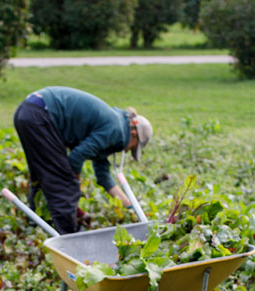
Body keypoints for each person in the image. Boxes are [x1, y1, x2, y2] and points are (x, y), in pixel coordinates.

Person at [13, 86, 153, 235]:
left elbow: (103, 175)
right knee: (66, 184)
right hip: (41, 115)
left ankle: (35, 225)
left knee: (41, 176)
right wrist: (75, 182)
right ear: (133, 133)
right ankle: (69, 237)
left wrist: (130, 206)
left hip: (28, 111)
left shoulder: (115, 125)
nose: (126, 151)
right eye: (133, 148)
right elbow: (76, 157)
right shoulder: (115, 131)